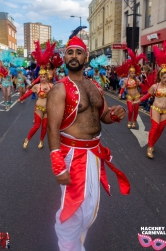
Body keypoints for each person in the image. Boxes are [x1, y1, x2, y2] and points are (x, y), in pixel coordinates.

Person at [47, 36, 130, 251]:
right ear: (64, 57)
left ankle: (75, 243)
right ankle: (68, 246)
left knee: (90, 207)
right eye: (70, 52)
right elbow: (52, 127)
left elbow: (103, 117)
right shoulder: (59, 89)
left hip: (94, 154)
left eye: (78, 52)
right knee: (73, 209)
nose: (74, 56)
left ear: (86, 56)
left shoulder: (95, 86)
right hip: (73, 155)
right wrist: (57, 163)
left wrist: (117, 114)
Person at [18, 40, 55, 149]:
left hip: (47, 109)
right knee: (36, 126)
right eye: (41, 77)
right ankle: (27, 139)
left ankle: (41, 140)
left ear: (47, 77)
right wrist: (21, 98)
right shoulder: (36, 86)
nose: (43, 78)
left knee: (44, 127)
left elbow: (57, 97)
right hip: (39, 108)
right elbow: (28, 93)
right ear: (40, 77)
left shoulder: (52, 86)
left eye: (44, 77)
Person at [133, 41, 166, 158]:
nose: (165, 79)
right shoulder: (155, 86)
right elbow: (147, 95)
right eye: (164, 77)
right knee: (155, 127)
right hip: (156, 109)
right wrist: (138, 101)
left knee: (160, 130)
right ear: (160, 77)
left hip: (165, 112)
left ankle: (152, 143)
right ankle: (150, 147)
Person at [118, 49, 147, 129]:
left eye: (134, 73)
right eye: (131, 73)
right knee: (130, 110)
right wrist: (120, 93)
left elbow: (143, 87)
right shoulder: (126, 81)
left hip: (137, 96)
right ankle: (129, 121)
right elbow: (123, 88)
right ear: (129, 73)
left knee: (136, 110)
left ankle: (134, 122)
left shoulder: (137, 80)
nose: (133, 74)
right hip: (129, 97)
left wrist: (144, 89)